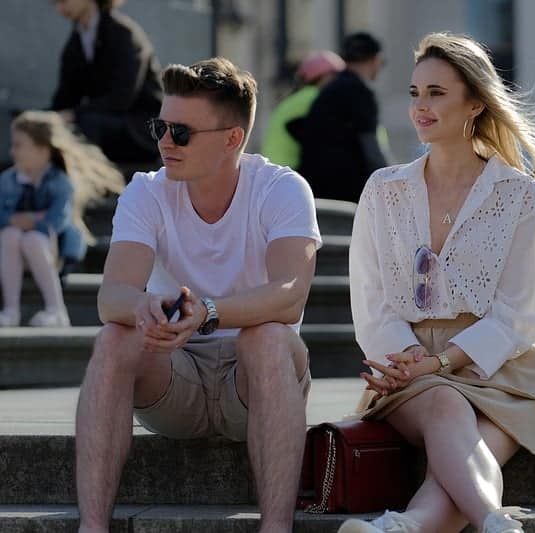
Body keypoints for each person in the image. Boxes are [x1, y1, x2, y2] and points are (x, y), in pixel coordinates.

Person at [341, 33, 535, 533]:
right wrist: (412, 361)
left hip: (503, 370)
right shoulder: (382, 190)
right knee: (447, 405)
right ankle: (497, 524)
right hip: (406, 366)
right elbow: (370, 299)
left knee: (459, 465)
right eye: (414, 93)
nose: (420, 106)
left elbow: (521, 311)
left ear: (475, 103)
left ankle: (400, 529)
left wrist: (445, 360)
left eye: (436, 92)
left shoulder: (521, 196)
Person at [74, 57, 322, 532]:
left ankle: (276, 528)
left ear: (232, 139)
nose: (165, 142)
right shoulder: (147, 191)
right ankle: (92, 527)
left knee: (266, 338)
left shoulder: (282, 189)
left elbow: (290, 295)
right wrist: (143, 306)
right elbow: (112, 297)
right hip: (176, 378)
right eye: (160, 126)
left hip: (252, 384)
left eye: (181, 132)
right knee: (114, 337)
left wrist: (208, 312)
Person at [0, 110, 123, 327]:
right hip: (15, 252)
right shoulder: (8, 180)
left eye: (19, 145)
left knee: (33, 240)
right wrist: (29, 219)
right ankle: (11, 310)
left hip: (51, 252)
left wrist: (29, 221)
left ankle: (56, 309)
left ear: (41, 149)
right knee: (10, 235)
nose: (13, 151)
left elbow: (56, 222)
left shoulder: (60, 183)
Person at [51, 0, 162, 163]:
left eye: (63, 1)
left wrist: (74, 114)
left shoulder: (123, 33)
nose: (59, 8)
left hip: (142, 129)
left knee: (86, 123)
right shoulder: (75, 43)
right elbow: (65, 97)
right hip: (107, 121)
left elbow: (121, 98)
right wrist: (45, 118)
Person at [298, 32, 387, 202]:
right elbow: (371, 149)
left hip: (315, 189)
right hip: (347, 192)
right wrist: (392, 182)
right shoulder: (361, 93)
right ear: (376, 59)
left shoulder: (328, 91)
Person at [261, 50, 345, 169]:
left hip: (275, 169)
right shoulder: (316, 97)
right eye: (336, 75)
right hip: (290, 170)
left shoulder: (297, 98)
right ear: (325, 76)